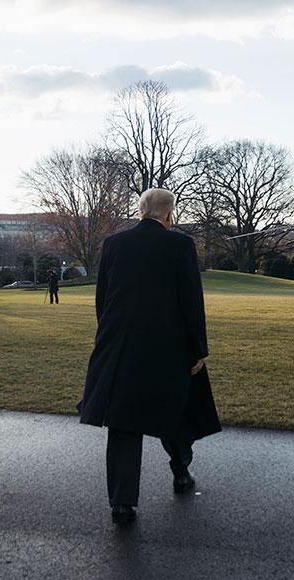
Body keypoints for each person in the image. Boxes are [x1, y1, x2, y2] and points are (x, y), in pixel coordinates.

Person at [78, 188, 221, 524]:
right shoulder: (181, 245)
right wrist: (198, 349)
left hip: (120, 343)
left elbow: (103, 298)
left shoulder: (113, 244)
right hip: (168, 343)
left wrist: (109, 337)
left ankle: (122, 502)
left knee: (124, 420)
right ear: (169, 214)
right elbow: (191, 301)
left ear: (141, 212)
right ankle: (181, 471)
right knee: (175, 408)